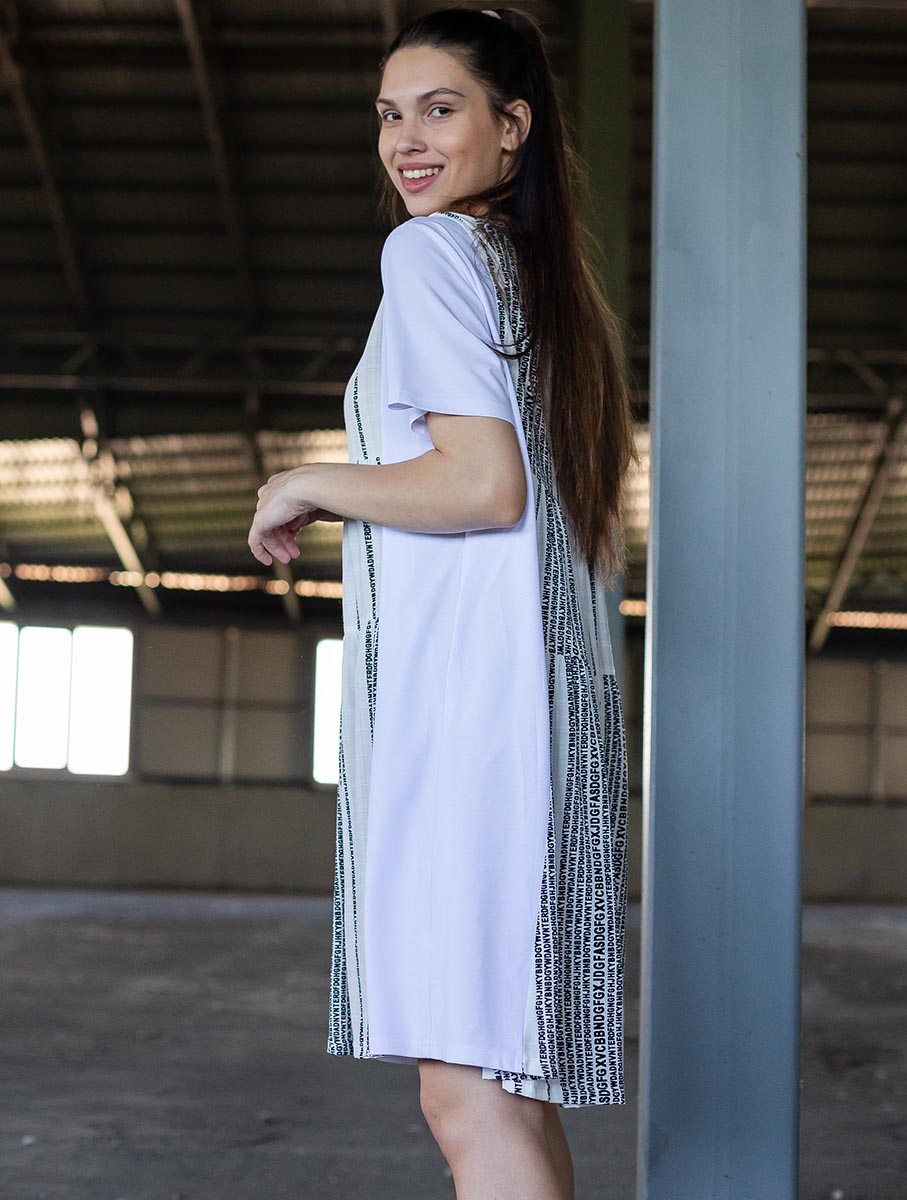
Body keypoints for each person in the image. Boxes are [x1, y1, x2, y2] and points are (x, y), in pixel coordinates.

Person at [248, 6, 640, 1197]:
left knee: (467, 1095)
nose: (404, 141)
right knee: (500, 1092)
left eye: (439, 109)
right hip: (533, 717)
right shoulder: (537, 280)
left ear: (511, 127)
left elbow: (480, 485)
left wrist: (309, 479)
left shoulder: (430, 255)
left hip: (474, 724)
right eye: (388, 114)